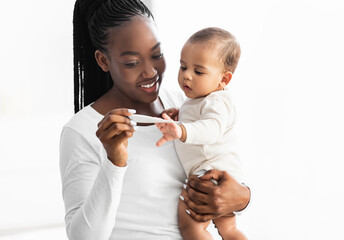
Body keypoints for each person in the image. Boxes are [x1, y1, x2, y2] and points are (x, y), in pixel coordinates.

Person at [59, 0, 251, 239]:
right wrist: (114, 162)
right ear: (103, 61)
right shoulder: (82, 130)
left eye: (156, 54)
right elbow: (84, 237)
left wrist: (243, 198)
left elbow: (220, 165)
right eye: (132, 63)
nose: (150, 72)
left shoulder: (185, 103)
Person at [155, 27, 247, 239]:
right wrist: (180, 114)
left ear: (224, 80)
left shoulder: (218, 101)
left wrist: (181, 129)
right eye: (183, 66)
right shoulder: (201, 100)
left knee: (192, 227)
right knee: (229, 229)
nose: (186, 75)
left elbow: (211, 129)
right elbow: (199, 116)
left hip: (210, 175)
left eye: (198, 71)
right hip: (221, 174)